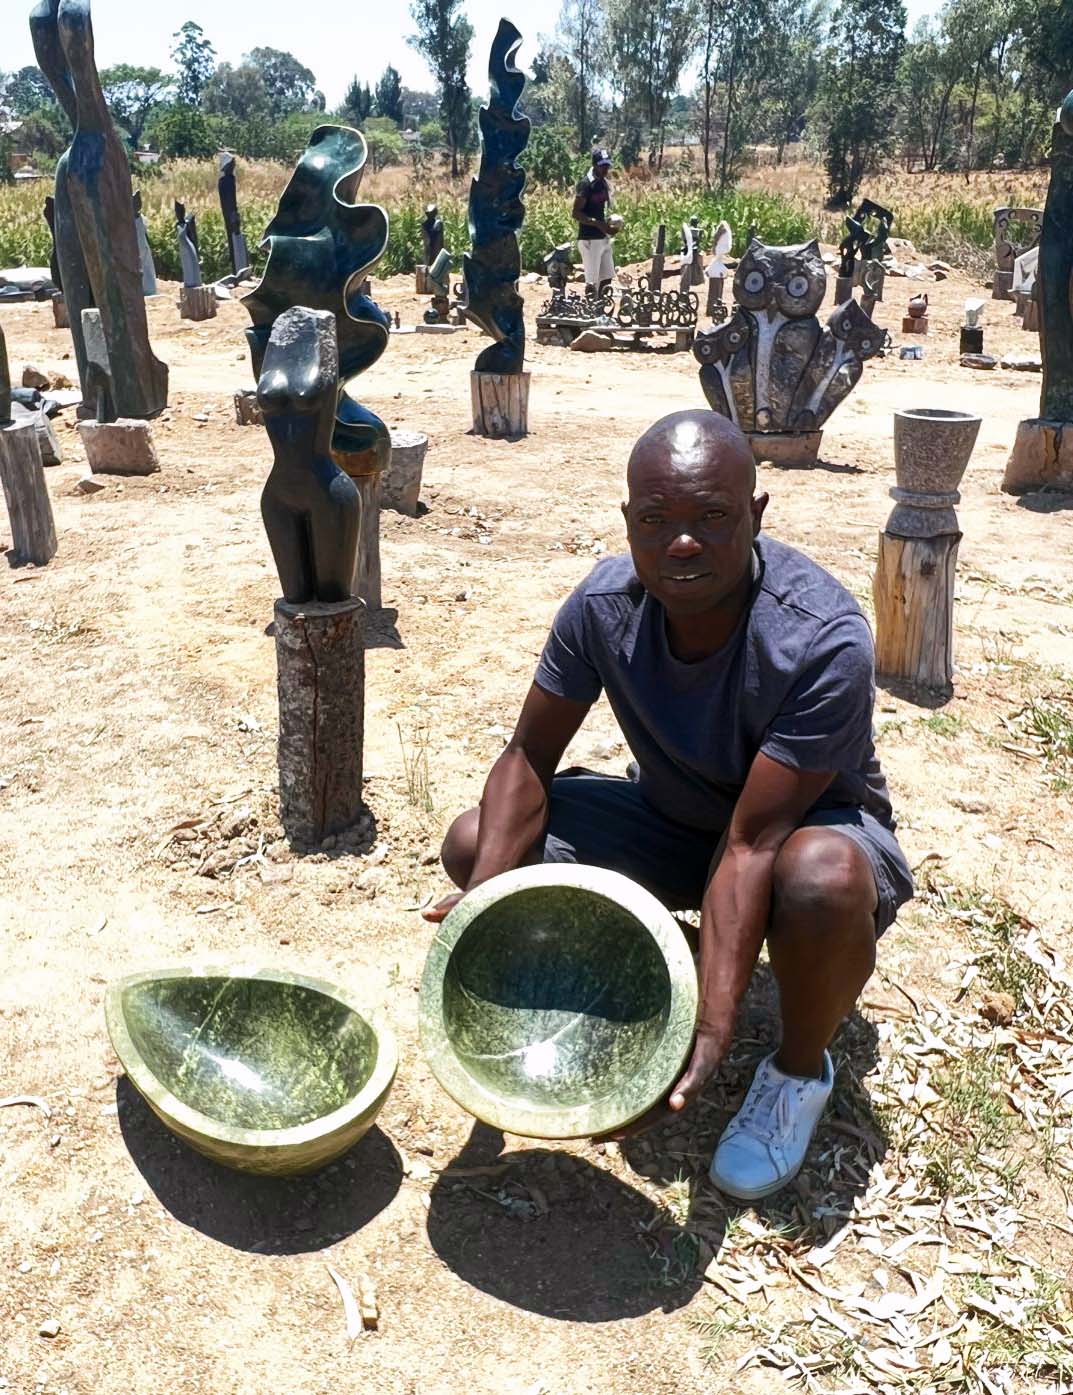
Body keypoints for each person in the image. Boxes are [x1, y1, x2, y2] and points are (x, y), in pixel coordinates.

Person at [425, 409, 914, 1201]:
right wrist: (479, 915)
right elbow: (526, 757)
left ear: (754, 516)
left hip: (802, 833)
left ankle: (795, 1070)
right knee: (479, 841)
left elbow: (754, 840)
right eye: (655, 521)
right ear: (628, 522)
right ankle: (660, 968)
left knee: (817, 882)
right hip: (673, 818)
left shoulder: (820, 637)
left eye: (711, 518)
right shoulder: (602, 606)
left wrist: (711, 1033)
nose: (680, 543)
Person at [573, 148, 616, 298]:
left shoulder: (603, 184)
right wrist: (598, 224)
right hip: (589, 239)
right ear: (594, 165)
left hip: (602, 237)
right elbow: (576, 213)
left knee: (607, 277)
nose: (605, 168)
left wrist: (609, 227)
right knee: (592, 283)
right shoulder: (586, 185)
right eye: (602, 165)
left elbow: (602, 211)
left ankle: (602, 309)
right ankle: (590, 312)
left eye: (607, 165)